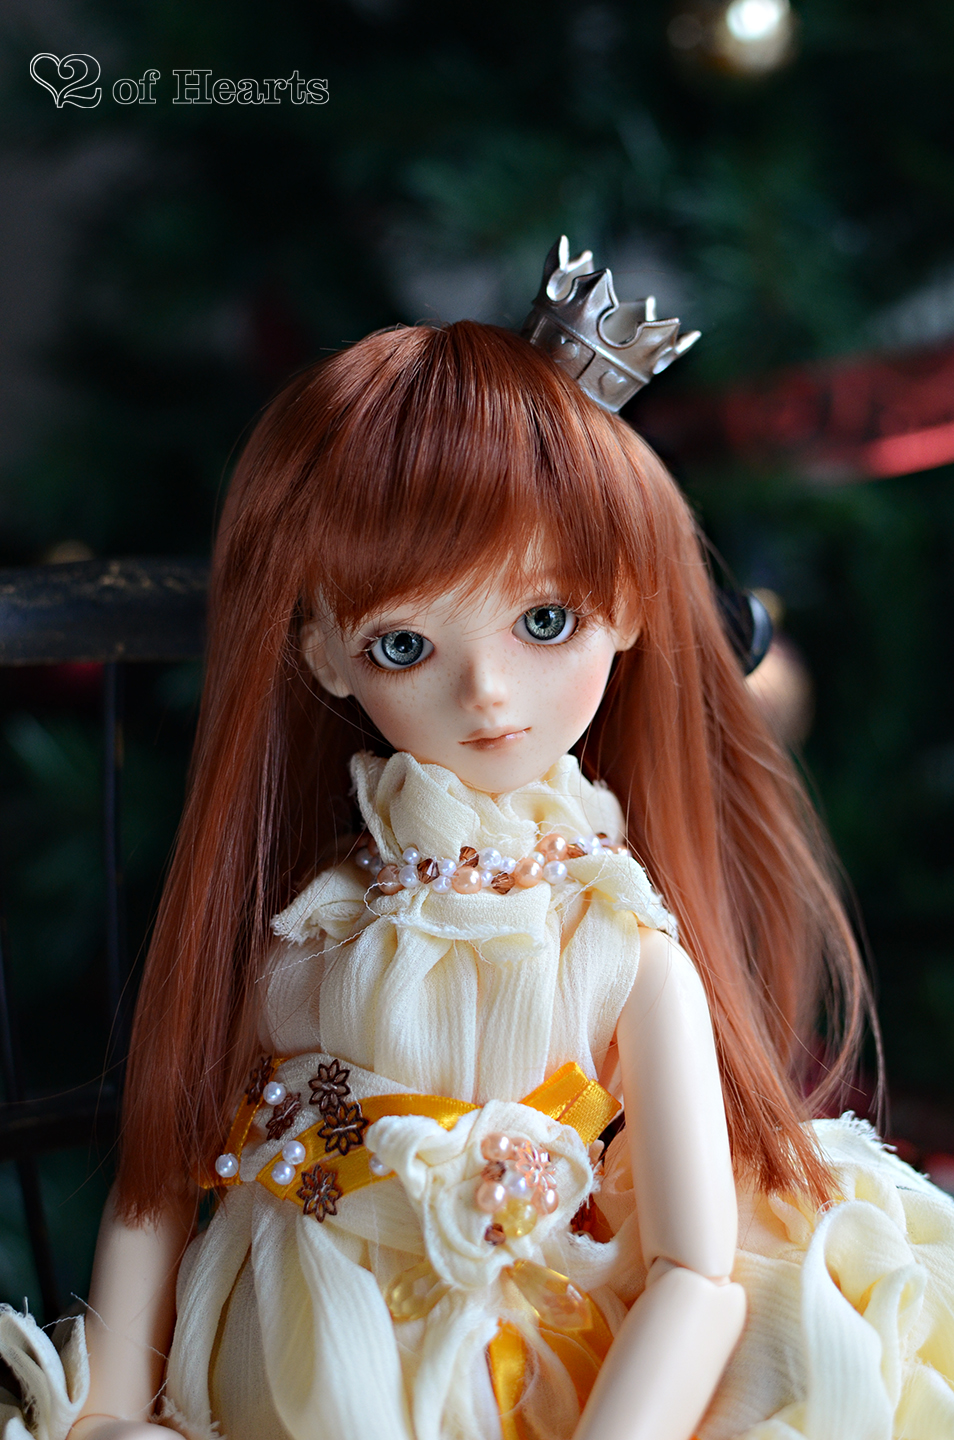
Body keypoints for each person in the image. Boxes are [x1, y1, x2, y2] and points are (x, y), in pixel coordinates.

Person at [4, 265, 953, 1440]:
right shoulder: (305, 927)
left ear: (629, 603)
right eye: (404, 644)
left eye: (544, 621)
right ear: (324, 654)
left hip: (510, 1390)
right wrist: (102, 1414)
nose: (490, 693)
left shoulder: (620, 947)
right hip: (283, 1380)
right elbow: (158, 1178)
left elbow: (694, 1275)